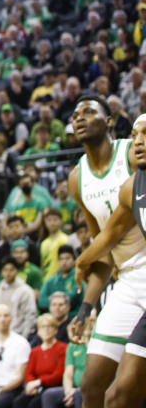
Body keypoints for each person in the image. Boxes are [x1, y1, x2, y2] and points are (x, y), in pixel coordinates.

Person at [66, 97, 146, 408]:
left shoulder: (133, 150)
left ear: (109, 120)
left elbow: (115, 228)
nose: (79, 118)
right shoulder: (78, 178)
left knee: (124, 391)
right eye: (75, 114)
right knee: (91, 383)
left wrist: (83, 258)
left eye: (88, 111)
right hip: (125, 278)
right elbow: (103, 249)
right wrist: (86, 308)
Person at [13, 314, 67, 408]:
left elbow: (59, 374)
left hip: (53, 386)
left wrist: (39, 382)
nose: (46, 330)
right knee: (19, 402)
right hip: (36, 387)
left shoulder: (63, 348)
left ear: (55, 330)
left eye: (49, 326)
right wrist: (31, 384)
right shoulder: (35, 351)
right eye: (42, 327)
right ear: (38, 331)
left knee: (34, 404)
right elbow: (29, 373)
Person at [0, 257, 37, 338]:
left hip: (19, 335)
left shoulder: (25, 291)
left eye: (11, 270)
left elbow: (30, 316)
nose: (8, 273)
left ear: (17, 271)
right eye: (5, 270)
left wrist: (24, 337)